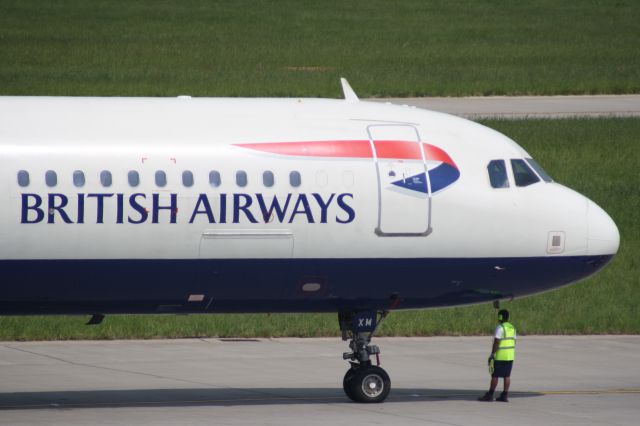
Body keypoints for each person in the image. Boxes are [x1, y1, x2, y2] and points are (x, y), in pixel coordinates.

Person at [478, 309, 516, 402]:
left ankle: (490, 395)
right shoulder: (512, 328)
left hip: (500, 356)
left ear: (500, 317)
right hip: (510, 356)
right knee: (507, 376)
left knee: (495, 376)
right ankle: (505, 395)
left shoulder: (500, 328)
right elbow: (514, 342)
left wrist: (492, 354)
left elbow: (496, 342)